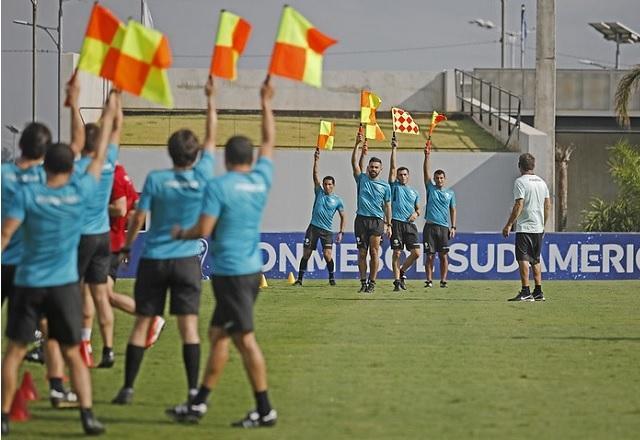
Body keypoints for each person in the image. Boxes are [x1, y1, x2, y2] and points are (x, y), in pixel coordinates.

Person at [0, 78, 116, 436]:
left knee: (15, 352)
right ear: (72, 167)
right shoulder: (81, 190)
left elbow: (6, 234)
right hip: (64, 284)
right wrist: (111, 113)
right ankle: (87, 415)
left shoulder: (29, 194)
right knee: (72, 351)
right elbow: (96, 155)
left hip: (29, 281)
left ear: (44, 166)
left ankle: (2, 415)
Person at [165, 76, 277, 428]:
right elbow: (270, 142)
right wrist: (266, 103)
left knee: (244, 339)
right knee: (218, 335)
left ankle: (264, 408)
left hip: (231, 272)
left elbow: (205, 229)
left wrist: (184, 232)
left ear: (227, 159)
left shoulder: (218, 186)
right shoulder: (261, 180)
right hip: (247, 269)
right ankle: (199, 402)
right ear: (251, 158)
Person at [111, 76, 217, 406]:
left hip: (155, 258)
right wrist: (211, 100)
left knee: (143, 321)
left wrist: (127, 245)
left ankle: (128, 387)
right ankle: (191, 391)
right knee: (189, 329)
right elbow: (213, 139)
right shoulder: (202, 175)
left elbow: (138, 217)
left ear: (169, 153)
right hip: (186, 261)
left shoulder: (156, 179)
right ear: (196, 154)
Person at [70, 89, 123, 369]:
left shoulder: (78, 168)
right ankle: (110, 349)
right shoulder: (109, 163)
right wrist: (115, 102)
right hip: (104, 236)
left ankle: (84, 343)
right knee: (101, 294)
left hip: (82, 236)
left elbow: (78, 136)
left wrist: (74, 103)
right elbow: (115, 129)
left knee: (82, 292)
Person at [107, 163, 166, 347]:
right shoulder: (121, 174)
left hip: (105, 243)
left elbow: (124, 210)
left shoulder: (112, 175)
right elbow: (133, 210)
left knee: (99, 295)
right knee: (100, 295)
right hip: (112, 243)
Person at [502, 153, 551, 301]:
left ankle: (525, 291)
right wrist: (543, 225)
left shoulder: (520, 182)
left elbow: (519, 204)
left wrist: (509, 224)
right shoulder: (542, 182)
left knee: (523, 258)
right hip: (538, 227)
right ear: (533, 166)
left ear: (520, 166)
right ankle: (538, 291)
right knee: (535, 259)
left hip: (525, 227)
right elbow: (547, 205)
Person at [294, 148, 345, 286]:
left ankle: (331, 278)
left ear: (333, 186)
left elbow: (343, 216)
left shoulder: (338, 200)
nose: (327, 186)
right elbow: (315, 174)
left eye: (329, 184)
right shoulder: (319, 192)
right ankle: (299, 279)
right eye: (325, 184)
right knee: (306, 254)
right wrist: (316, 160)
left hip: (327, 231)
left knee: (327, 255)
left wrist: (341, 232)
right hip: (313, 228)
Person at [351, 127, 392, 294]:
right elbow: (354, 163)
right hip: (361, 220)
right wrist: (357, 144)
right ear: (368, 168)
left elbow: (387, 206)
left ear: (381, 169)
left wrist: (389, 224)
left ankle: (372, 282)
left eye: (376, 167)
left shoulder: (385, 186)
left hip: (377, 221)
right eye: (371, 167)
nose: (373, 169)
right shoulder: (361, 179)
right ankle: (362, 282)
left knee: (374, 252)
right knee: (362, 253)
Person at [388, 133, 422, 291]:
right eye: (400, 175)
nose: (402, 176)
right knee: (396, 253)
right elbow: (393, 168)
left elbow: (418, 208)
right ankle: (396, 281)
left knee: (416, 253)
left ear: (408, 176)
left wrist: (416, 213)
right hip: (396, 223)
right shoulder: (394, 187)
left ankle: (402, 272)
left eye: (405, 174)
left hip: (409, 225)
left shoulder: (414, 192)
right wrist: (394, 149)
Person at [422, 140, 456, 288]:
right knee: (429, 256)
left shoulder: (450, 193)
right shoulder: (430, 188)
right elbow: (426, 172)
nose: (439, 180)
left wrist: (453, 226)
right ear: (434, 179)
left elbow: (453, 210)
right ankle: (429, 281)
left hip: (443, 228)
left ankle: (443, 280)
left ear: (445, 179)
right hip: (429, 227)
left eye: (441, 178)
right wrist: (427, 156)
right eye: (437, 178)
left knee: (443, 256)